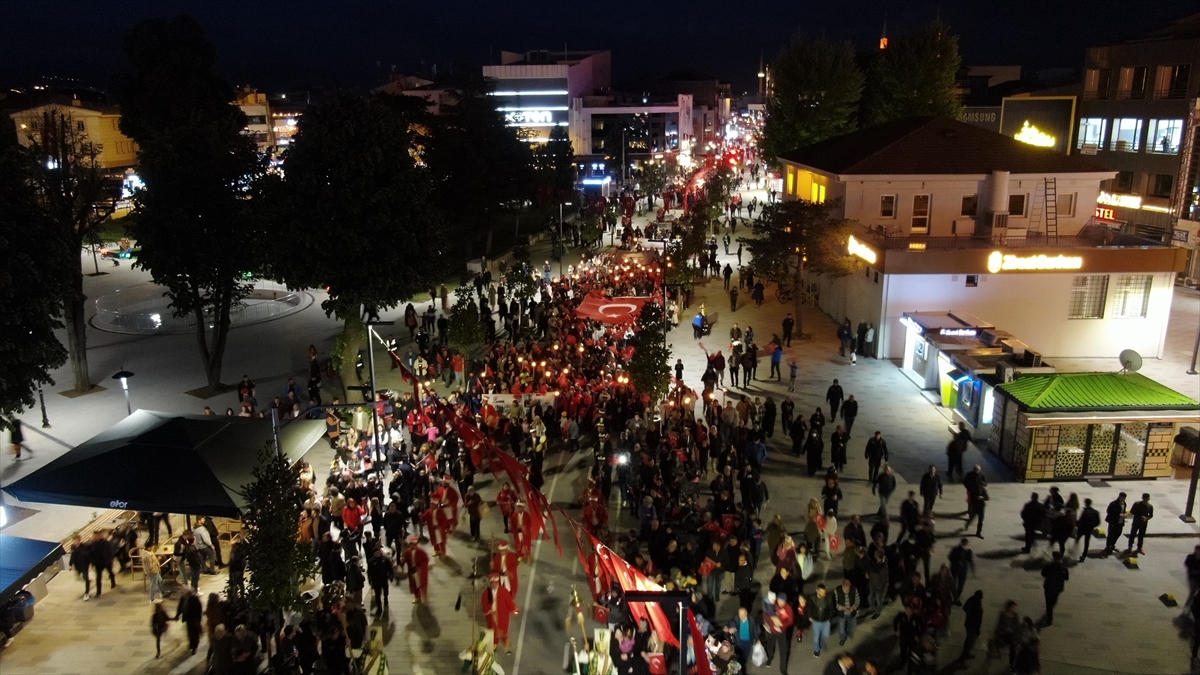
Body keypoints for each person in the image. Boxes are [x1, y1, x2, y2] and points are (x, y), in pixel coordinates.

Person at [483, 573, 517, 654]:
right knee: (493, 630)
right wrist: (488, 610)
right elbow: (484, 603)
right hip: (492, 616)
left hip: (502, 615)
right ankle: (495, 644)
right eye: (493, 583)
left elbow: (509, 602)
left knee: (503, 631)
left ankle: (507, 646)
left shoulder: (503, 591)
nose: (494, 584)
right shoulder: (486, 593)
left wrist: (514, 609)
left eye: (496, 583)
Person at [1040, 551, 1069, 626]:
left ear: (1053, 557)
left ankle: (1049, 618)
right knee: (1053, 601)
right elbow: (1067, 578)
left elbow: (1043, 574)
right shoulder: (1063, 567)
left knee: (1048, 603)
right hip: (1058, 588)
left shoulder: (1048, 566)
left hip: (1048, 587)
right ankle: (1050, 611)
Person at [807, 584, 835, 657]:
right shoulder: (812, 599)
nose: (823, 593)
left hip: (826, 621)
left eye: (824, 592)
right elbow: (809, 608)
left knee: (826, 635)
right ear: (817, 591)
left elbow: (831, 609)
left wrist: (830, 619)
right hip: (816, 621)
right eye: (821, 592)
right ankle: (817, 650)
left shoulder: (828, 599)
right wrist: (810, 616)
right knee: (816, 637)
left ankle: (822, 643)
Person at [401, 536, 430, 604]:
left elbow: (425, 561)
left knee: (421, 584)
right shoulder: (408, 552)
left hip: (420, 572)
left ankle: (424, 596)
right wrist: (403, 560)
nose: (411, 545)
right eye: (410, 544)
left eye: (412, 544)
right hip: (412, 571)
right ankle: (417, 596)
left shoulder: (422, 552)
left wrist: (419, 568)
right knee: (414, 584)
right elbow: (406, 558)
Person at [175, 587, 204, 655]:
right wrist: (177, 615)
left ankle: (195, 647)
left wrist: (198, 619)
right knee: (190, 632)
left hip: (194, 618)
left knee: (195, 633)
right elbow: (180, 607)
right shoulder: (183, 598)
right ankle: (191, 644)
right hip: (188, 618)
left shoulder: (195, 599)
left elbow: (199, 610)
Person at [962, 465, 988, 538]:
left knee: (981, 520)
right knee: (972, 515)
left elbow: (986, 485)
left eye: (978, 469)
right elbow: (964, 482)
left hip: (981, 506)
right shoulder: (969, 475)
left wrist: (982, 497)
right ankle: (968, 521)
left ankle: (978, 532)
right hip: (972, 495)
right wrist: (969, 488)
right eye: (975, 469)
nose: (976, 470)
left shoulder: (982, 477)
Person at [834, 578, 859, 646]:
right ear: (842, 585)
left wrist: (853, 607)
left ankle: (849, 633)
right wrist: (841, 607)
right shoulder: (837, 590)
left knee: (852, 626)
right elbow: (835, 603)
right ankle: (843, 638)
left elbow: (857, 599)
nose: (848, 589)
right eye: (846, 588)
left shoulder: (854, 589)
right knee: (841, 628)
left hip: (851, 612)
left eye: (849, 588)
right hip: (842, 613)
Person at [960, 589, 984, 661]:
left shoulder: (971, 600)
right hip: (973, 627)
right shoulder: (978, 607)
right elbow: (978, 621)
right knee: (969, 643)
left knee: (969, 640)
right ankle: (963, 658)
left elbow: (964, 607)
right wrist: (978, 630)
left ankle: (966, 654)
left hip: (968, 624)